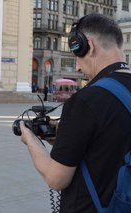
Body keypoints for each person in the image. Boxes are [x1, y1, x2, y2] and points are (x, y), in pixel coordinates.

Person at [18, 13, 131, 213]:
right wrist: (67, 137)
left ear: (89, 45)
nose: (77, 67)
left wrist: (30, 140)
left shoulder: (86, 100)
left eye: (76, 56)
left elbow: (56, 179)